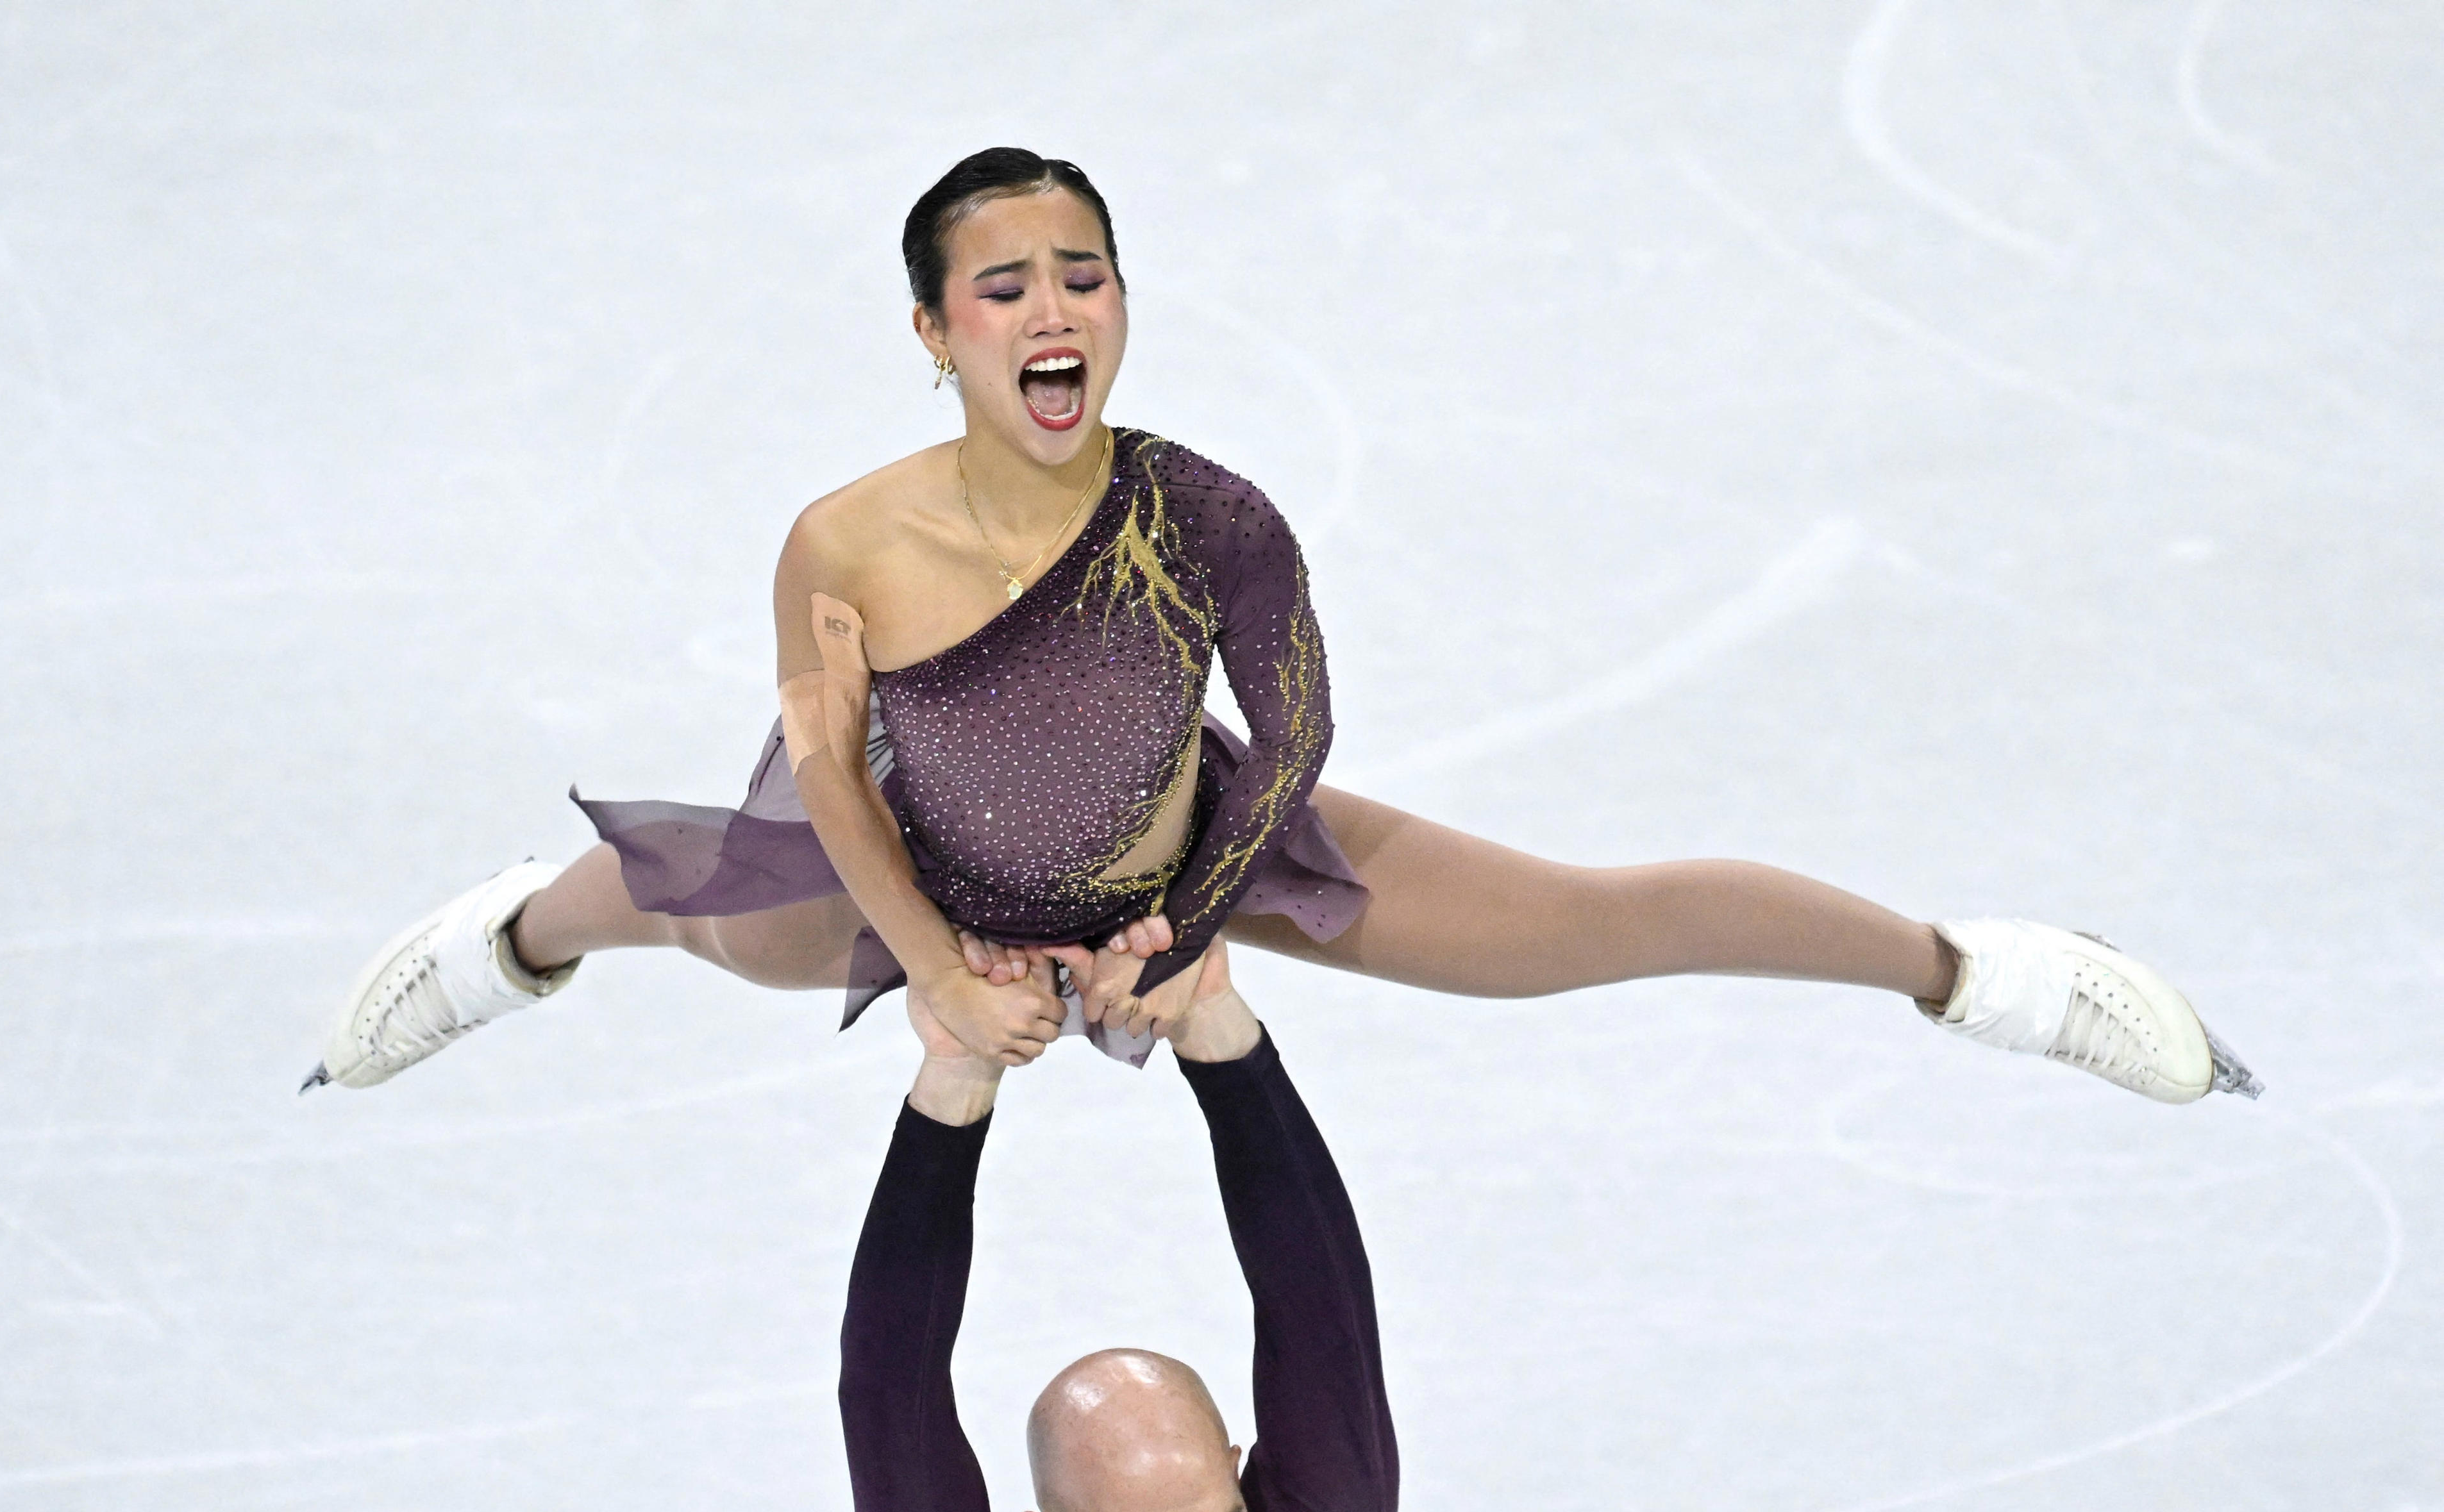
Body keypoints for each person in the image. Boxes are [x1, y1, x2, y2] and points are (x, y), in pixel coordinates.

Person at [301, 147, 2259, 1106]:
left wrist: (1188, 914)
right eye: (1000, 286)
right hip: (894, 858)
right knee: (688, 910)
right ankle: (499, 936)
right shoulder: (845, 537)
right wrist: (946, 964)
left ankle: (1974, 969)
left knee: (1588, 925)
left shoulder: (1204, 513)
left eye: (1081, 273)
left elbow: (1297, 728)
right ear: (931, 330)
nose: (1049, 308)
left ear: (1120, 302)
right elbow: (825, 762)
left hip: (1185, 844)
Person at [842, 938, 1417, 1512]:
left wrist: (1213, 1019)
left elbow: (1324, 1316)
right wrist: (955, 1080)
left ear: (1234, 1479)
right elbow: (892, 1398)